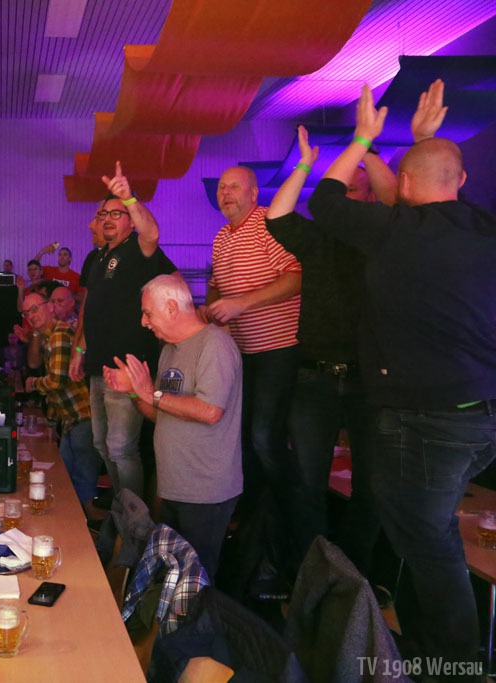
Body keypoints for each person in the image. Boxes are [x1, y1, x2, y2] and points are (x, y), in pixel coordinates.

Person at [308, 79, 495, 680]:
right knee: (423, 534)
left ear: (405, 187)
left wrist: (364, 138)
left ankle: (457, 666)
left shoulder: (394, 231)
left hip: (424, 418)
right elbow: (417, 192)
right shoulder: (482, 228)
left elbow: (325, 199)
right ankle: (426, 648)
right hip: (481, 415)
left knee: (431, 544)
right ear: (461, 180)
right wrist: (422, 143)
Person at [264, 125, 388, 579]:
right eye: (340, 188)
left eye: (354, 188)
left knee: (372, 488)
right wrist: (303, 165)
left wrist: (367, 148)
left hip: (369, 379)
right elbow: (276, 215)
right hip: (314, 376)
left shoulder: (385, 238)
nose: (345, 197)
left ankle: (355, 579)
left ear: (371, 195)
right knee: (307, 485)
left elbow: (397, 199)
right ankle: (314, 579)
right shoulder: (317, 236)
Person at [203, 163, 302, 594]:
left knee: (264, 439)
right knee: (244, 442)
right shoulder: (221, 237)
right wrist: (212, 310)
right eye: (221, 188)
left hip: (278, 348)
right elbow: (214, 284)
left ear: (254, 192)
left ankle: (291, 522)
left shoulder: (268, 225)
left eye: (234, 187)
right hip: (241, 353)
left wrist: (242, 303)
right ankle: (254, 533)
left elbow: (296, 278)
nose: (226, 193)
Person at [103, 275, 242, 581]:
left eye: (147, 313)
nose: (143, 322)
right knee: (173, 581)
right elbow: (160, 413)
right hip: (174, 486)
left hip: (205, 490)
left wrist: (149, 392)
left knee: (194, 585)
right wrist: (133, 392)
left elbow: (210, 411)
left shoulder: (214, 344)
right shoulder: (170, 349)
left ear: (170, 308)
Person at [69, 162, 178, 499]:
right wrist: (79, 348)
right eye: (104, 213)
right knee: (102, 445)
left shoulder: (139, 250)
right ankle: (123, 509)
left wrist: (128, 197)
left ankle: (135, 518)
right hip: (97, 365)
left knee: (121, 448)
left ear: (131, 221)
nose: (108, 219)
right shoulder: (95, 258)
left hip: (127, 367)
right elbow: (89, 306)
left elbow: (153, 234)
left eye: (117, 214)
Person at [21, 291, 102, 518]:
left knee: (81, 480)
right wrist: (51, 422)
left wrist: (33, 383)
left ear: (50, 307)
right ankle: (75, 522)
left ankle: (85, 527)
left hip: (83, 416)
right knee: (64, 477)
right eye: (26, 313)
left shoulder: (59, 334)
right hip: (71, 418)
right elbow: (49, 381)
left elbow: (57, 380)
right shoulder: (49, 336)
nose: (31, 316)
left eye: (35, 309)